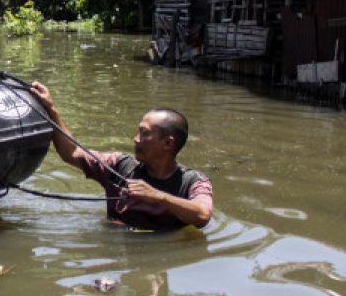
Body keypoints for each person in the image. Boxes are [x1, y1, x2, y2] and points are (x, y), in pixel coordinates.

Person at [30, 82, 213, 230]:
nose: (135, 139)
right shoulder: (119, 166)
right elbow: (72, 152)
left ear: (168, 143)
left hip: (157, 253)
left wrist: (158, 197)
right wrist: (51, 110)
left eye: (144, 133)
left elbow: (203, 215)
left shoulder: (192, 182)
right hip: (116, 249)